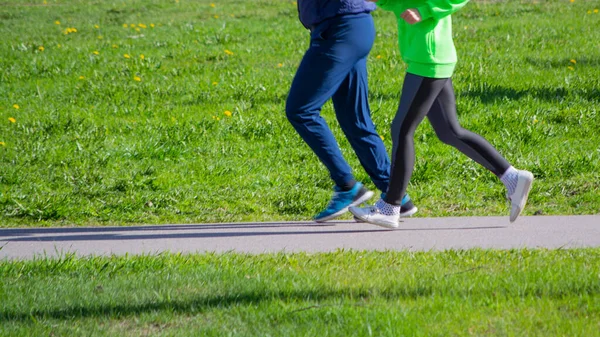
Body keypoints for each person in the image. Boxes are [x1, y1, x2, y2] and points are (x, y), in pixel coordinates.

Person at [350, 0, 534, 228]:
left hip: (428, 57)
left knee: (402, 129)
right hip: (430, 54)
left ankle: (390, 207)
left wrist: (424, 11)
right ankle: (512, 177)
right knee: (449, 131)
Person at [286, 0, 418, 221]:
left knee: (301, 110)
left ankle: (347, 185)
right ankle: (395, 196)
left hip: (339, 29)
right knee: (355, 119)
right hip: (355, 26)